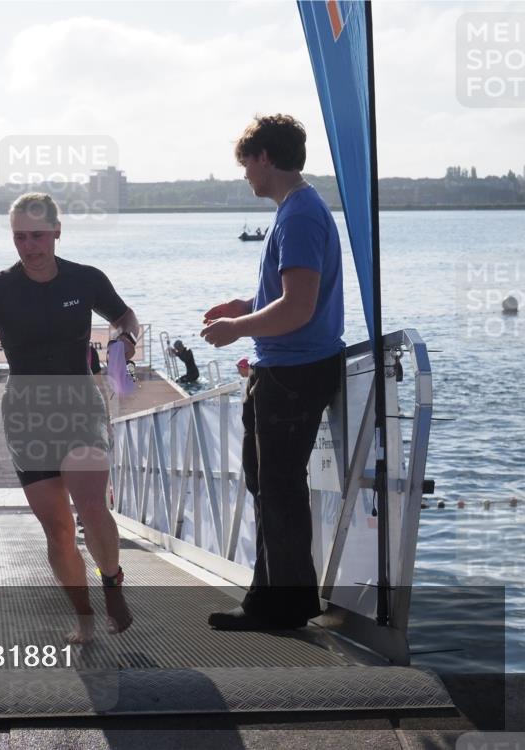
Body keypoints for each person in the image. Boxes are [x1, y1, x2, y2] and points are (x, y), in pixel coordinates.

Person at [0, 193, 139, 642]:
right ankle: (84, 615)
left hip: (79, 404)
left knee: (91, 504)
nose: (29, 246)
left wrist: (126, 336)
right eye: (20, 237)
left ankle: (112, 583)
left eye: (38, 236)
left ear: (57, 232)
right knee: (59, 530)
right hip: (27, 412)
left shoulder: (85, 280)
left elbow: (125, 316)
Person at [200, 114, 344, 631]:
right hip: (288, 366)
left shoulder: (300, 215)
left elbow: (299, 308)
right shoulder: (297, 210)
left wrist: (238, 327)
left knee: (279, 487)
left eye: (245, 163)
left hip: (293, 370)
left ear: (265, 157)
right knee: (270, 485)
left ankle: (279, 606)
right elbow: (288, 299)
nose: (244, 175)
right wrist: (245, 304)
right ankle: (275, 600)